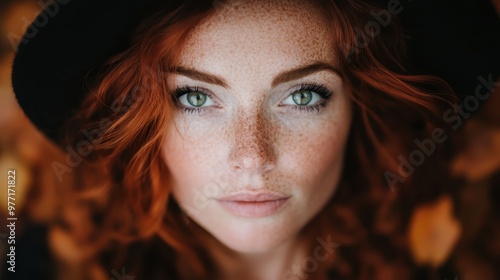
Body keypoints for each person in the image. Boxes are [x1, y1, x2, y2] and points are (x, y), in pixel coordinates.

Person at [10, 0, 500, 279]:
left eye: (304, 96)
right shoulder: (30, 265)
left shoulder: (464, 260)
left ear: (361, 111)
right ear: (139, 121)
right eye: (197, 99)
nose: (252, 157)